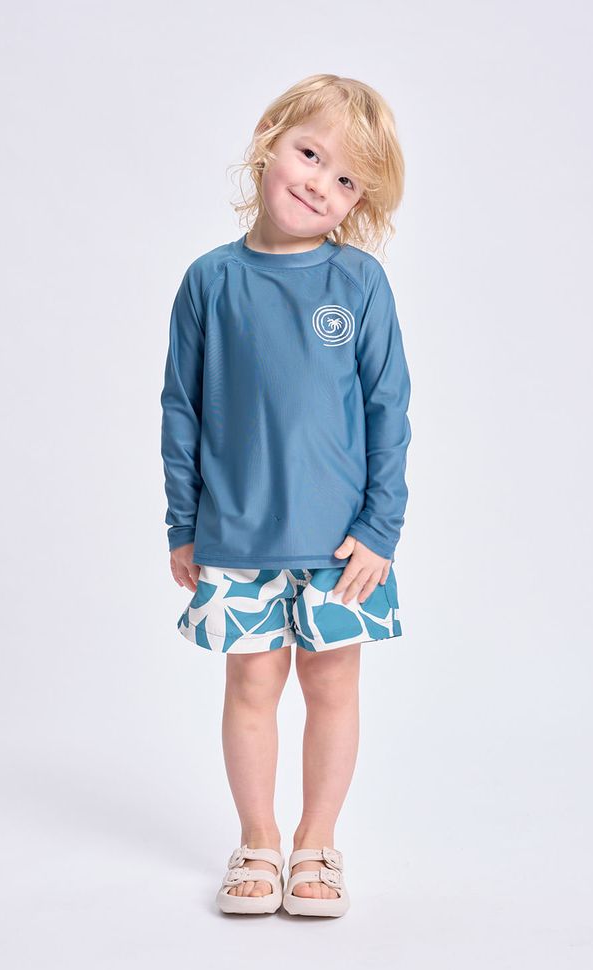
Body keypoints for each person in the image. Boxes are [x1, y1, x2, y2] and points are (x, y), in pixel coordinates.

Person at [159, 74, 412, 917]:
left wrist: (381, 528)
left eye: (346, 181)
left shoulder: (360, 284)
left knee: (333, 690)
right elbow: (183, 408)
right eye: (311, 154)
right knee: (251, 689)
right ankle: (259, 841)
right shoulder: (210, 281)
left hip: (342, 548)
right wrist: (183, 522)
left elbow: (388, 410)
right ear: (271, 137)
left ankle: (317, 844)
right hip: (235, 537)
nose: (320, 185)